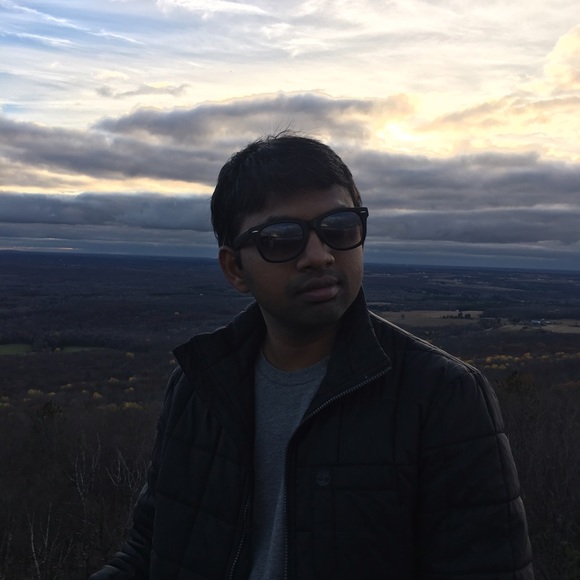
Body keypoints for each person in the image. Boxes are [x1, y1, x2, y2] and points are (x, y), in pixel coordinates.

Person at [90, 132, 533, 579]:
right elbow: (151, 550)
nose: (319, 256)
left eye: (339, 227)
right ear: (235, 268)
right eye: (282, 238)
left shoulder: (442, 396)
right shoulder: (196, 389)